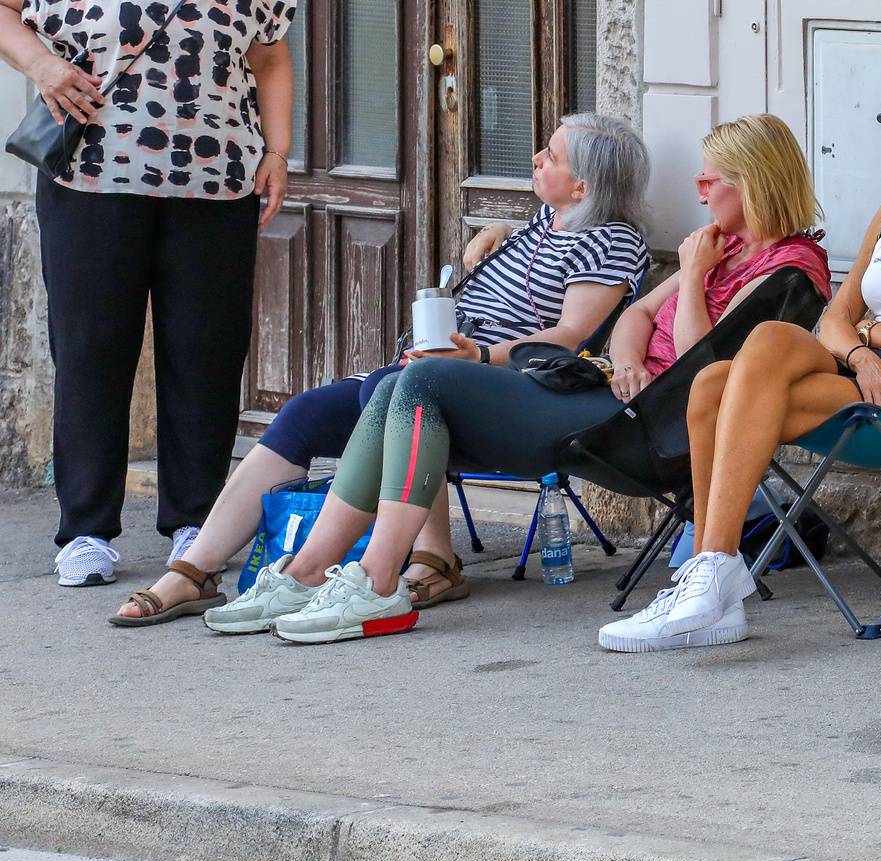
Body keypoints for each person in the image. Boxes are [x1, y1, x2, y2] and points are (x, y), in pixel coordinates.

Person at [208, 113, 832, 644]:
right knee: (404, 382)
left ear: (754, 184)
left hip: (651, 427)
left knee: (426, 385)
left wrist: (692, 276)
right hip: (617, 389)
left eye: (711, 178)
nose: (698, 189)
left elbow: (708, 366)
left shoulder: (788, 268)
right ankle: (311, 570)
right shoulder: (722, 242)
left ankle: (376, 580)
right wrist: (635, 358)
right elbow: (637, 316)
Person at [112, 112, 650, 626]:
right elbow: (537, 248)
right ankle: (193, 571)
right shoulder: (548, 219)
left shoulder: (612, 240)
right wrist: (497, 227)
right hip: (441, 364)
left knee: (395, 387)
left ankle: (429, 558)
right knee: (306, 414)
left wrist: (479, 356)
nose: (535, 158)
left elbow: (570, 335)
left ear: (582, 188)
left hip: (512, 387)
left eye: (550, 156)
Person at [597, 68, 881, 654]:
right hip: (863, 373)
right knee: (728, 370)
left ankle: (711, 576)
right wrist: (860, 354)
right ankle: (709, 573)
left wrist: (864, 340)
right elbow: (830, 321)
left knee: (723, 384)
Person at [0, 0, 296, 590]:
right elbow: (4, 6)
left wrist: (277, 150)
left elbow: (270, 58)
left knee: (205, 352)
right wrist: (44, 70)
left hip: (215, 183)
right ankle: (85, 531)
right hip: (92, 183)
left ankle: (196, 519)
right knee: (92, 352)